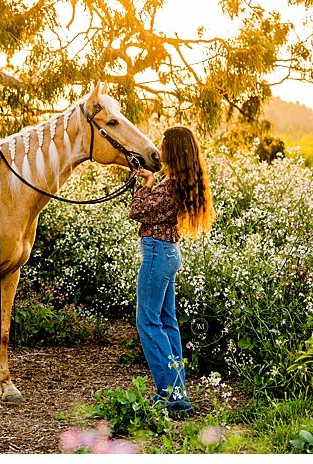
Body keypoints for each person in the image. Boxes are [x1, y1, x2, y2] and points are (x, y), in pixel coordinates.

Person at [127, 126, 214, 418]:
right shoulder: (178, 182)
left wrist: (145, 183)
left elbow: (138, 212)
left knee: (148, 322)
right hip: (166, 255)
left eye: (163, 146)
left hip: (156, 256)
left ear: (172, 152)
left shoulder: (168, 186)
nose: (159, 150)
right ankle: (177, 393)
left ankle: (174, 398)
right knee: (167, 322)